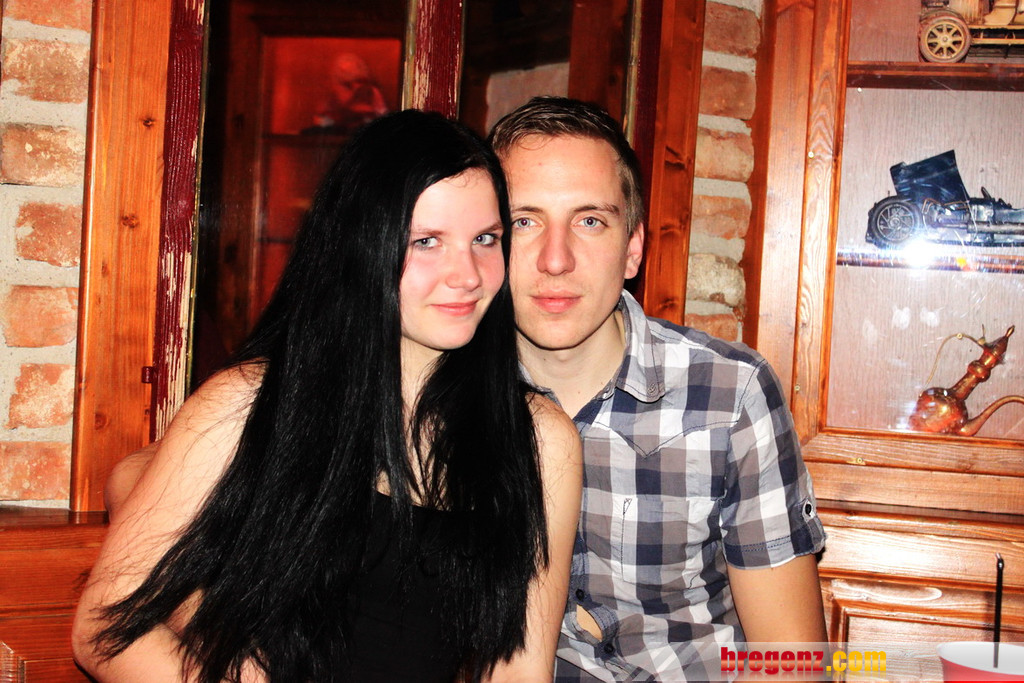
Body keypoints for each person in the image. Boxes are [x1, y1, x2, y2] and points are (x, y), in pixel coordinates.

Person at [72, 109, 582, 682]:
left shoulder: (541, 441)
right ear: (362, 245)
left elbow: (518, 669)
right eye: (426, 242)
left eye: (485, 239)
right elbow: (106, 631)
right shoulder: (244, 404)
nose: (467, 274)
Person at [488, 96, 828, 681]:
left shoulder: (729, 394)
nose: (555, 259)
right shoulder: (444, 397)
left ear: (633, 250)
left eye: (589, 221)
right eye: (525, 221)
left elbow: (793, 662)